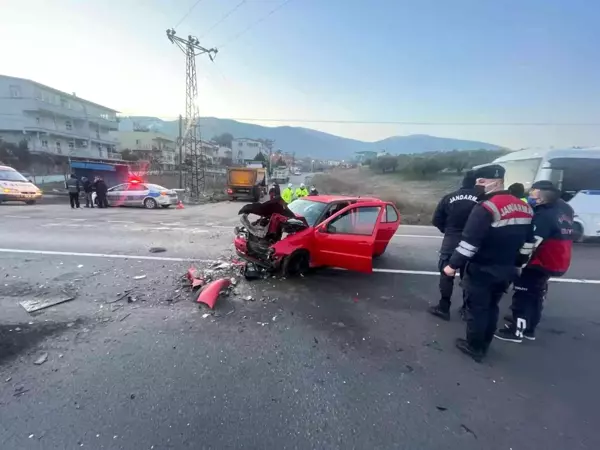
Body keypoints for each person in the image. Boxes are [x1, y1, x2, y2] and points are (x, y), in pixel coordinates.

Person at [443, 164, 535, 362]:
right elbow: (529, 242)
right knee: (493, 306)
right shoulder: (524, 206)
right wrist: (519, 263)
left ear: (497, 181)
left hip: (483, 268)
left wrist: (452, 266)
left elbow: (469, 243)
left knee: (477, 308)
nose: (479, 186)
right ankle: (485, 342)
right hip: (508, 268)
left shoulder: (486, 207)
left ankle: (474, 347)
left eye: (482, 181)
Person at [495, 180, 574, 343]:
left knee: (523, 294)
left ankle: (517, 330)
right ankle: (529, 328)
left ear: (542, 197)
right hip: (556, 261)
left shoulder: (543, 216)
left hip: (540, 262)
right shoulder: (564, 208)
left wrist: (519, 263)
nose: (530, 195)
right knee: (536, 294)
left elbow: (532, 243)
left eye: (533, 193)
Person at [428, 170, 481, 321]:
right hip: (474, 242)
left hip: (451, 241)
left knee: (446, 274)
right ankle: (466, 309)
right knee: (469, 277)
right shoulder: (483, 198)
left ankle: (444, 308)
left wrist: (448, 230)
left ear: (462, 182)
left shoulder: (449, 197)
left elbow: (436, 219)